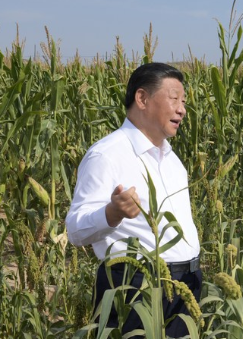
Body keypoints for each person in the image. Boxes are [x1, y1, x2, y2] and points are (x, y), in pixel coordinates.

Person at [66, 62, 201, 337]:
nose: (182, 109)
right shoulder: (107, 155)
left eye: (184, 101)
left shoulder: (172, 160)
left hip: (186, 285)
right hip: (136, 286)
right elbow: (75, 230)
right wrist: (112, 213)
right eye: (174, 98)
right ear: (142, 98)